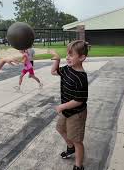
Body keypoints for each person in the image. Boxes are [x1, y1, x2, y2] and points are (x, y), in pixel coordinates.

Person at [49, 40, 89, 170]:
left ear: (82, 57)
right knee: (60, 128)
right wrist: (57, 59)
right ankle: (70, 147)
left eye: (71, 55)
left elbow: (79, 100)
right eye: (67, 54)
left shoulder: (81, 77)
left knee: (77, 140)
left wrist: (62, 106)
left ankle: (78, 165)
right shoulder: (67, 69)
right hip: (67, 110)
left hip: (76, 113)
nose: (68, 57)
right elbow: (54, 72)